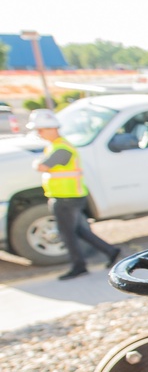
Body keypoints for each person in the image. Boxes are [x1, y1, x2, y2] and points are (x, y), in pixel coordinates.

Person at [29, 109, 120, 281]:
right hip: (66, 196)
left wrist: (36, 163)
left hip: (67, 198)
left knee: (67, 233)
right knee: (79, 230)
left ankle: (79, 266)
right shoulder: (55, 146)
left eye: (40, 130)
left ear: (51, 128)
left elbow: (43, 167)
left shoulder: (62, 148)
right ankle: (111, 251)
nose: (38, 134)